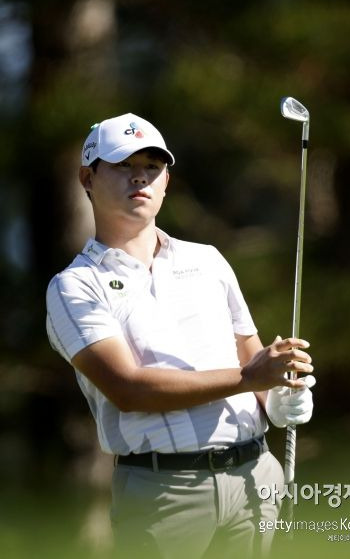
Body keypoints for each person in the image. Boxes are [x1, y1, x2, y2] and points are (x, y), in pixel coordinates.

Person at [46, 113, 315, 559]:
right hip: (164, 492)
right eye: (122, 165)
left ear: (166, 181)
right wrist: (252, 379)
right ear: (86, 178)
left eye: (152, 167)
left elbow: (251, 357)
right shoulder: (75, 285)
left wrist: (282, 400)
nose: (139, 177)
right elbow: (128, 389)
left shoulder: (208, 260)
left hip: (254, 477)